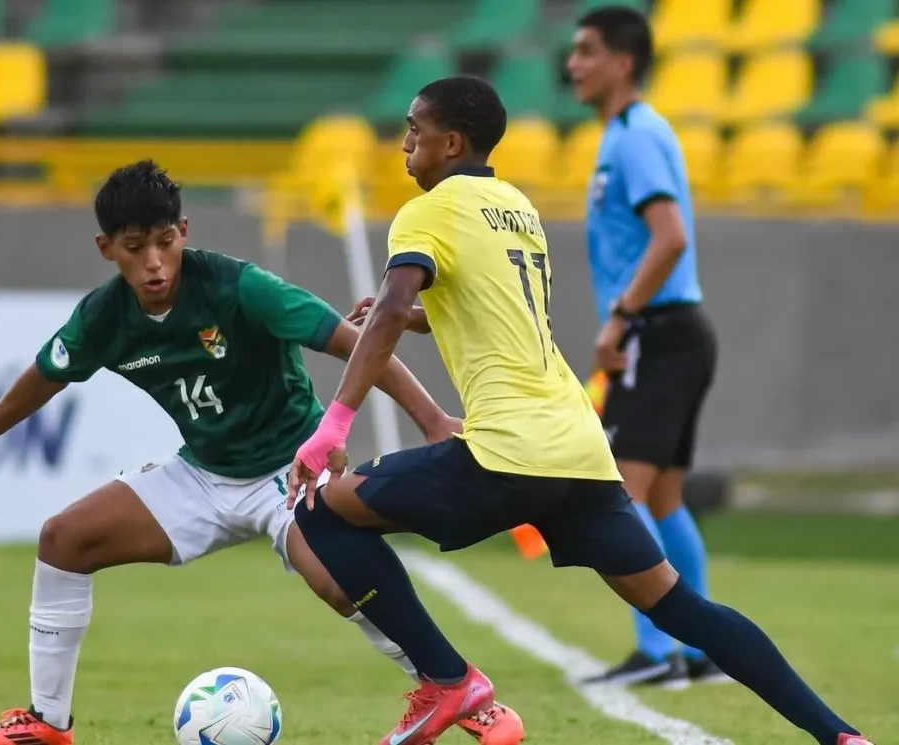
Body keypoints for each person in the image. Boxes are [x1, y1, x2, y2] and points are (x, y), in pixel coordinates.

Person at [287, 76, 872, 745]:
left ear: (451, 142)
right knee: (682, 607)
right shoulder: (515, 206)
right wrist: (423, 319)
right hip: (579, 450)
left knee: (319, 512)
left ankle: (448, 680)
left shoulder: (428, 210)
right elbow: (488, 304)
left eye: (415, 130)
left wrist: (334, 424)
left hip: (506, 450)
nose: (406, 145)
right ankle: (842, 736)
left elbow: (389, 309)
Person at [0, 160, 521, 745]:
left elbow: (357, 342)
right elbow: (45, 374)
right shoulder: (103, 317)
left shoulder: (240, 287)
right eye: (136, 248)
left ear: (183, 232)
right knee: (63, 538)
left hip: (289, 468)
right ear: (107, 248)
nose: (155, 262)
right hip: (204, 474)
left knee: (342, 583)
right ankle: (46, 723)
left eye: (165, 242)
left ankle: (475, 705)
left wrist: (432, 418)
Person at [566, 5, 723, 686]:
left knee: (619, 495)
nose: (573, 64)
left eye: (587, 51)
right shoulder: (622, 135)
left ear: (623, 62)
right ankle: (702, 647)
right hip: (672, 333)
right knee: (662, 499)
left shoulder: (634, 137)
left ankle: (661, 652)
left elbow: (671, 235)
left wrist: (619, 319)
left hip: (657, 335)